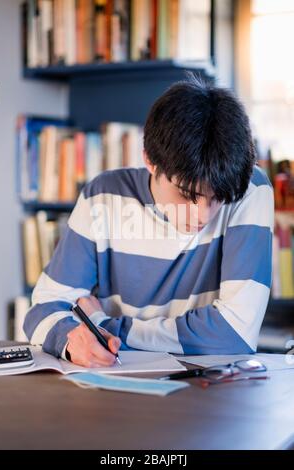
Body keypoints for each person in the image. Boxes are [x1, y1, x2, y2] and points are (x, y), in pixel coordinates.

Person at [24, 74, 274, 368]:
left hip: (214, 395)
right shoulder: (102, 197)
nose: (204, 215)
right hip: (117, 388)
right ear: (149, 160)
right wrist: (70, 338)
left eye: (218, 197)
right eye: (187, 194)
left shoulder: (250, 189)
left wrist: (103, 323)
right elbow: (42, 309)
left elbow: (234, 333)